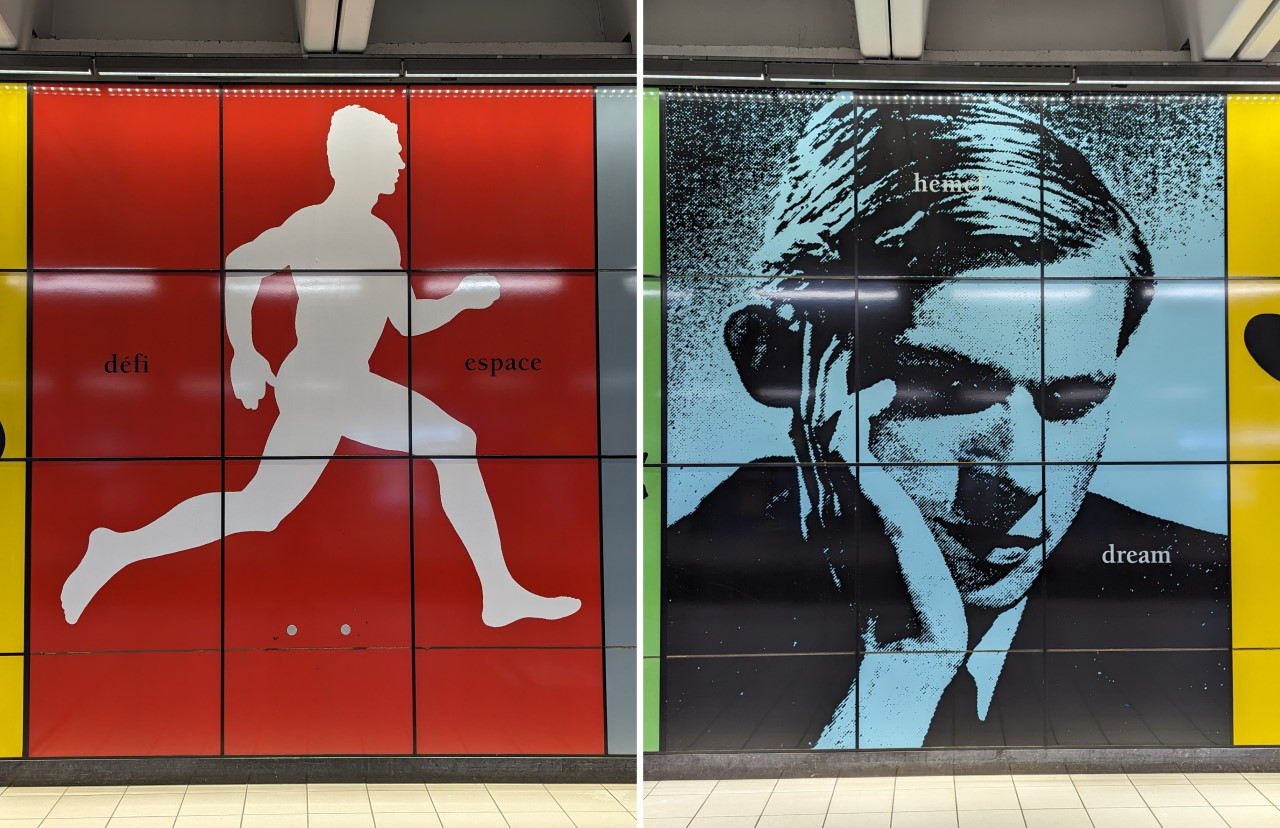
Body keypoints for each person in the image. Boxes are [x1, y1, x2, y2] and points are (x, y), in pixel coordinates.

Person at [663, 98, 1229, 751]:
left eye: (1072, 403)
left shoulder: (1216, 589)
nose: (1017, 476)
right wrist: (903, 669)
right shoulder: (654, 597)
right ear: (769, 359)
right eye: (938, 389)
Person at [61, 104, 581, 629]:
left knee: (260, 509)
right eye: (393, 154)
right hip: (331, 384)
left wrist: (461, 300)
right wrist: (242, 350)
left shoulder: (331, 227)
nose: (401, 164)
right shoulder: (354, 231)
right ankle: (499, 593)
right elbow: (248, 268)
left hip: (321, 384)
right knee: (456, 442)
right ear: (362, 162)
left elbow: (402, 320)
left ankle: (117, 548)